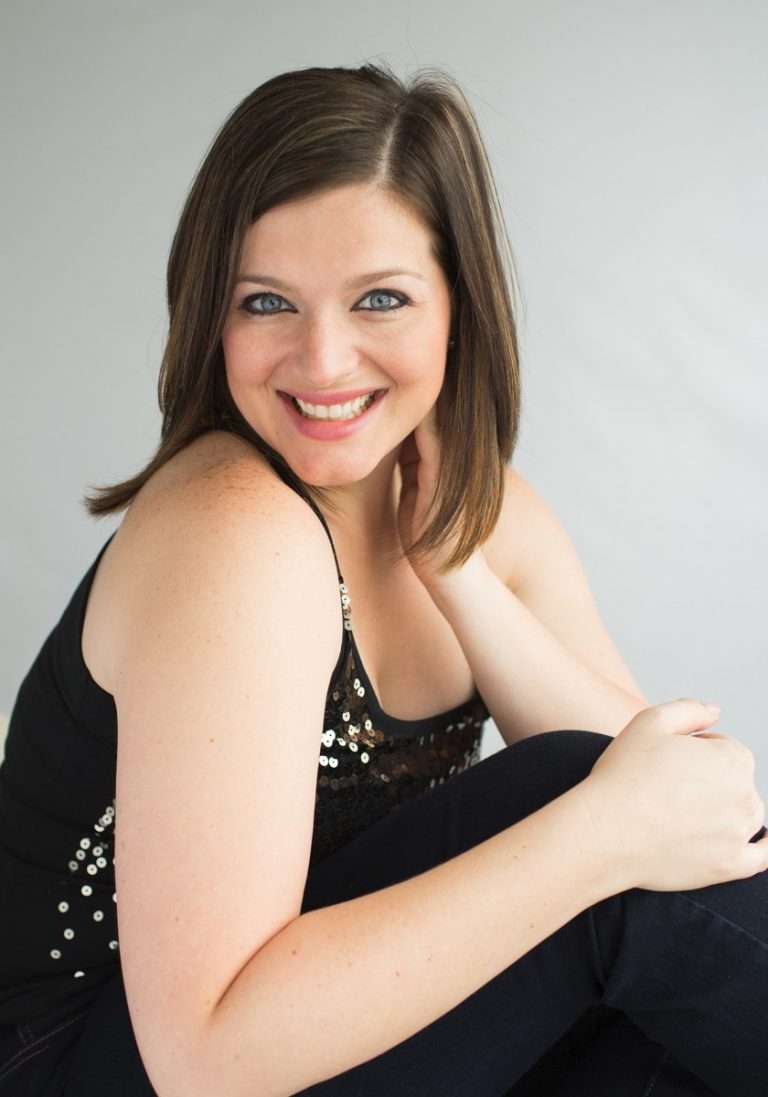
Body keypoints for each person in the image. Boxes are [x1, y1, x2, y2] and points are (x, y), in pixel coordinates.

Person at [0, 63, 766, 1097]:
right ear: (209, 317)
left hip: (325, 1032)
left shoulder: (491, 514)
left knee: (656, 996)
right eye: (266, 300)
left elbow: (698, 824)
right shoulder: (234, 532)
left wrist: (458, 569)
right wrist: (594, 833)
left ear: (459, 308)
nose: (323, 360)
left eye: (381, 299)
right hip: (107, 1057)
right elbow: (204, 1050)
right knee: (577, 815)